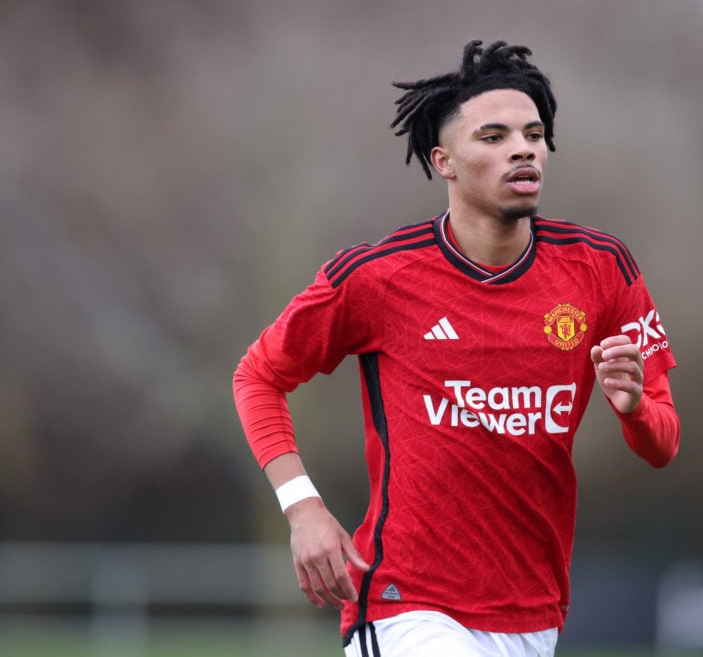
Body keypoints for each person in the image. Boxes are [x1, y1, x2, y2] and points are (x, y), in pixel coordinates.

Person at [233, 40, 680, 657]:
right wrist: (302, 508)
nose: (523, 147)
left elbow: (663, 443)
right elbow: (258, 376)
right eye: (493, 137)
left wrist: (632, 409)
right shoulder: (378, 278)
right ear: (443, 161)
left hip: (533, 612)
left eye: (534, 133)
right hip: (404, 605)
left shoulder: (600, 269)